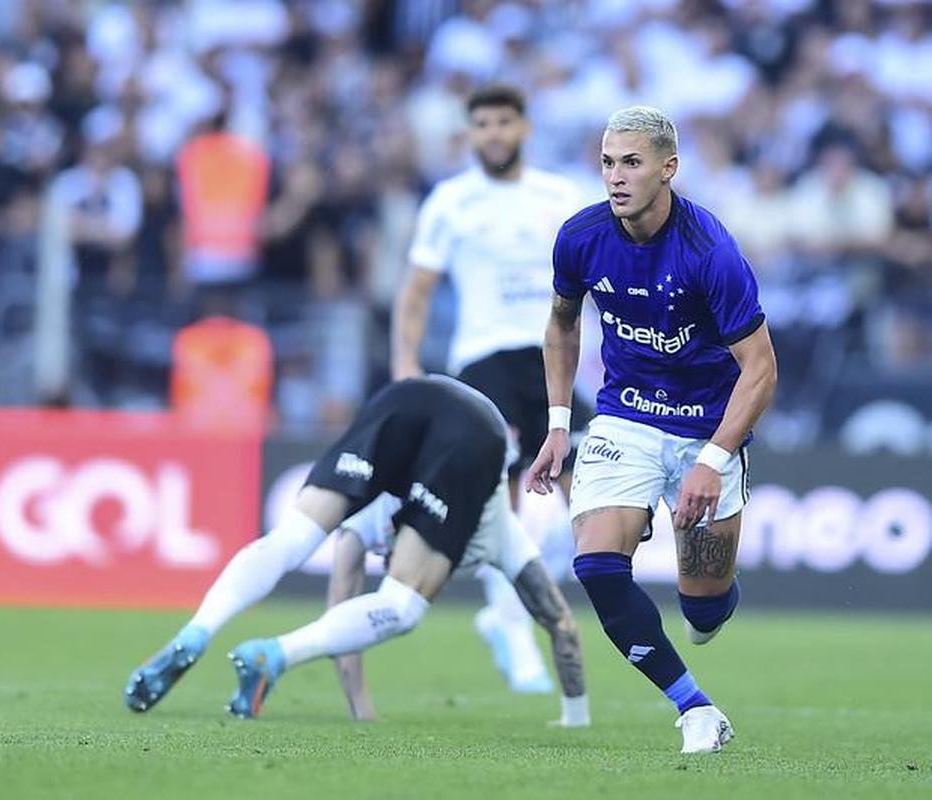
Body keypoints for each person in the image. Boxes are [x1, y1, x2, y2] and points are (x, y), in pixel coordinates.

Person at [527, 106, 778, 754]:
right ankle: (695, 707)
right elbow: (561, 324)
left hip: (706, 430)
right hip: (626, 417)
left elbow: (761, 369)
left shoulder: (710, 252)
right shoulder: (581, 237)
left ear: (669, 168)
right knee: (596, 565)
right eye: (608, 162)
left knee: (703, 608)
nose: (616, 176)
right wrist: (559, 424)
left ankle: (712, 602)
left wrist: (713, 461)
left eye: (632, 163)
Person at [126, 375, 586, 722]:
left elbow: (342, 594)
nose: (385, 557)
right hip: (478, 432)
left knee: (291, 538)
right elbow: (561, 624)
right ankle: (273, 654)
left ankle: (198, 630)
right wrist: (575, 716)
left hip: (403, 397)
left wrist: (358, 708)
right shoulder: (504, 536)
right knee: (403, 605)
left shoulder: (384, 511)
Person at [392, 84, 588, 693]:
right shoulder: (451, 202)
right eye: (482, 124)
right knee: (506, 504)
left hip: (551, 358)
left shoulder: (561, 196)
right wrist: (405, 364)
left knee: (590, 509)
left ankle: (504, 614)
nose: (494, 133)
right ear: (470, 133)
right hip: (483, 360)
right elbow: (417, 291)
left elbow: (597, 283)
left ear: (524, 127)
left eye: (504, 121)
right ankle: (514, 631)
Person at [327, 491, 589, 727]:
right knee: (399, 613)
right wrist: (362, 709)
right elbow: (338, 613)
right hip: (446, 518)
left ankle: (570, 710)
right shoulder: (371, 515)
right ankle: (516, 650)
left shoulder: (501, 527)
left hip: (488, 518)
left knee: (556, 616)